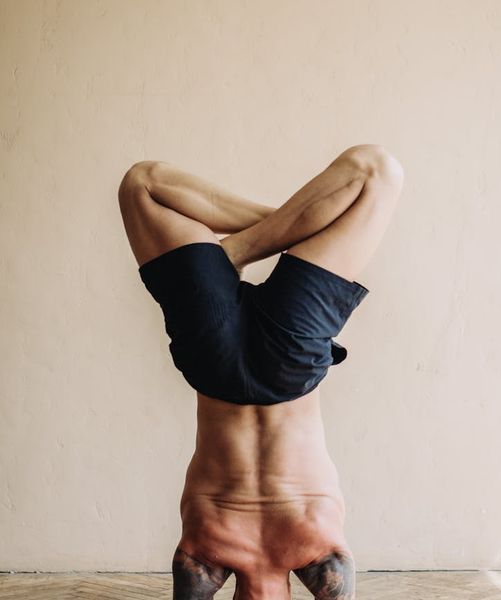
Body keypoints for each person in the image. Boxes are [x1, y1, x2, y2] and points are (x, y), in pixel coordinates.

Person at [118, 144, 404, 599]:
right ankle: (273, 232)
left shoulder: (205, 560)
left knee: (143, 184)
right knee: (375, 170)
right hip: (279, 366)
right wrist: (300, 222)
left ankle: (252, 243)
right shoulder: (318, 561)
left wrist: (305, 224)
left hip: (228, 363)